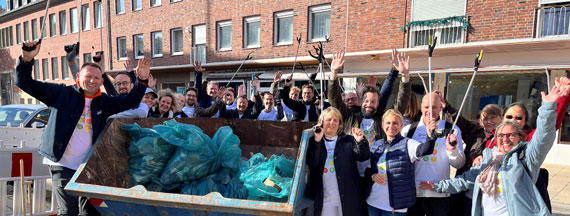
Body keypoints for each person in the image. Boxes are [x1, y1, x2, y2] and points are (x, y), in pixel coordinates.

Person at [16, 41, 149, 215]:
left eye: (96, 78)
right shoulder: (62, 94)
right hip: (62, 164)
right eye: (88, 76)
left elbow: (131, 101)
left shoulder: (105, 102)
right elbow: (24, 82)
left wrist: (142, 79)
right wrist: (26, 59)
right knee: (68, 212)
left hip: (89, 166)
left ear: (102, 81)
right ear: (79, 77)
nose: (92, 81)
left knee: (90, 213)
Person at [419, 84, 569, 216]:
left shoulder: (526, 157)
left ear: (520, 136)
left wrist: (548, 107)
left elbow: (544, 136)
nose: (505, 139)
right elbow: (466, 179)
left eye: (511, 135)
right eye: (501, 135)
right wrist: (437, 186)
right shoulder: (489, 157)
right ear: (495, 137)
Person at [401, 92, 465, 216]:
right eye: (426, 107)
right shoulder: (408, 130)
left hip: (439, 195)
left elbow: (459, 164)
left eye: (434, 107)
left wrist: (452, 150)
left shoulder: (452, 129)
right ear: (421, 107)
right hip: (414, 194)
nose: (430, 111)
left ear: (441, 107)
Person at [365, 109, 438, 215]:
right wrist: (373, 176)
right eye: (388, 123)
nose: (391, 126)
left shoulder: (408, 144)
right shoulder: (377, 144)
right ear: (382, 124)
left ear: (401, 125)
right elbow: (368, 170)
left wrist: (430, 137)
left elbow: (424, 150)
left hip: (395, 207)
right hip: (373, 202)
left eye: (395, 123)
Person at [328, 49, 411, 140]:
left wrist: (405, 75)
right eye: (366, 101)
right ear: (361, 101)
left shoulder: (383, 119)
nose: (369, 104)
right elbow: (335, 99)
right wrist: (334, 73)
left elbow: (401, 103)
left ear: (378, 103)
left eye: (373, 102)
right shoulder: (350, 117)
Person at [306, 107, 370, 216]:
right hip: (325, 199)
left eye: (336, 120)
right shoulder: (315, 141)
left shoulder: (349, 140)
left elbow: (363, 157)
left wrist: (360, 141)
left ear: (340, 124)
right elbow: (312, 163)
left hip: (348, 197)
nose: (332, 123)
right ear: (321, 122)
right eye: (328, 120)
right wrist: (317, 141)